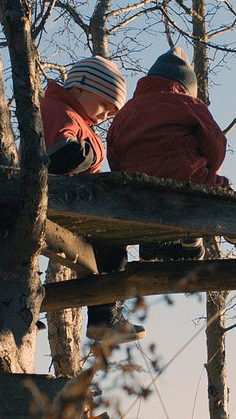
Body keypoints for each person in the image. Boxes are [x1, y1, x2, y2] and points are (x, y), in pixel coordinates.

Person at [41, 55, 145, 344]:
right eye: (105, 106)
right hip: (61, 201)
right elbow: (60, 156)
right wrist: (90, 154)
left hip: (71, 202)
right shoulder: (59, 110)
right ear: (81, 87)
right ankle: (104, 317)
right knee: (112, 240)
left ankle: (104, 315)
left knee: (111, 248)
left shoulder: (71, 114)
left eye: (112, 114)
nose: (105, 117)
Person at [106, 47, 230, 261]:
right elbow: (216, 147)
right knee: (220, 189)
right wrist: (210, 169)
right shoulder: (191, 104)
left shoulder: (127, 111)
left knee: (145, 205)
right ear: (186, 87)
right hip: (186, 177)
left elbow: (113, 152)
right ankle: (194, 238)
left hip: (134, 187)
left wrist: (124, 172)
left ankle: (150, 244)